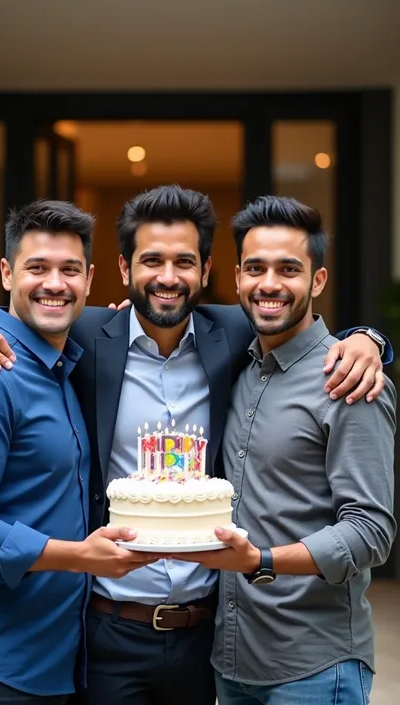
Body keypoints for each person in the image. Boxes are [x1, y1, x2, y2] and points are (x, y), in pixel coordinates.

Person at [0, 186, 391, 705]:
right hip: (105, 632)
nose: (168, 277)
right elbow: (21, 328)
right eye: (152, 260)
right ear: (124, 270)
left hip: (203, 637)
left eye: (184, 262)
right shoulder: (82, 335)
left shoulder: (234, 332)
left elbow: (296, 321)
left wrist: (367, 340)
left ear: (209, 269)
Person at [0, 201, 159, 705]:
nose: (54, 283)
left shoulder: (67, 367)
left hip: (53, 669)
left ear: (91, 279)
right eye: (37, 268)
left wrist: (365, 338)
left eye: (69, 270)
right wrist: (81, 558)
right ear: (7, 273)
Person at [176, 196, 397, 705]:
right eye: (255, 268)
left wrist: (262, 560)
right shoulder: (234, 360)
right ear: (236, 279)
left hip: (314, 667)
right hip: (231, 663)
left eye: (289, 269)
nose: (269, 284)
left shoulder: (350, 380)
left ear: (317, 281)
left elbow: (371, 531)